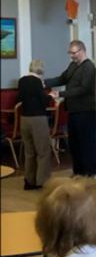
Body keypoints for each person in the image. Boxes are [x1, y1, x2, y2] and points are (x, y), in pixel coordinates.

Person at [45, 40, 96, 177]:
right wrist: (42, 82)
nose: (72, 56)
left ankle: (91, 172)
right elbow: (62, 78)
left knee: (86, 143)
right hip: (73, 111)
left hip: (85, 111)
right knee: (74, 144)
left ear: (82, 50)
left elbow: (84, 89)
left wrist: (60, 94)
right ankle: (78, 172)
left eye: (74, 53)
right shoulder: (73, 65)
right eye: (70, 53)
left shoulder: (89, 67)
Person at [17, 59, 52, 190]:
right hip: (38, 119)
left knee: (29, 152)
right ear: (41, 69)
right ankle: (42, 181)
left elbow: (19, 98)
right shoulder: (37, 82)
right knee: (43, 152)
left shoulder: (22, 81)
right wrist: (51, 96)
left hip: (24, 119)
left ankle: (29, 181)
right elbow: (43, 101)